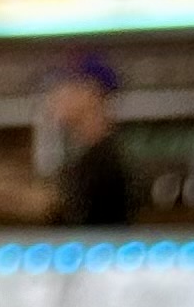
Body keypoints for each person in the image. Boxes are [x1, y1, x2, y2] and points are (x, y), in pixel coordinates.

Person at [38, 53, 135, 228]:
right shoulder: (89, 156)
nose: (54, 97)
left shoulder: (107, 162)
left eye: (66, 87)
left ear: (90, 92)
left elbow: (60, 207)